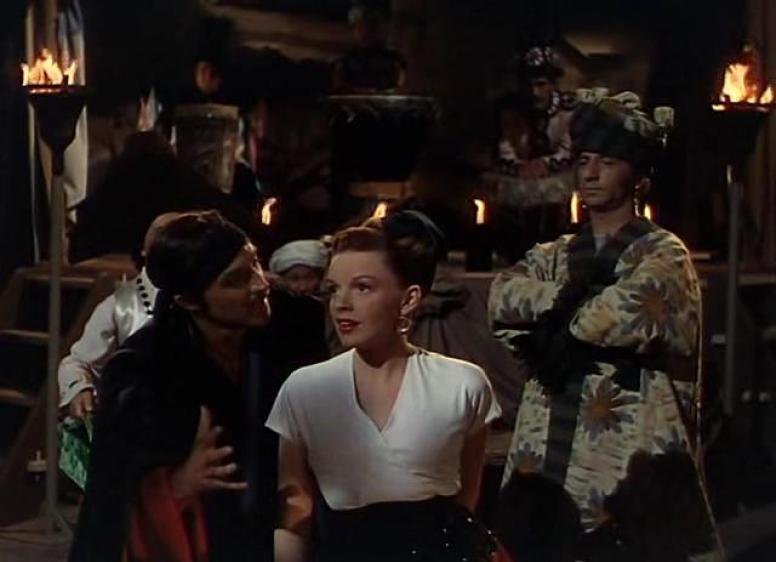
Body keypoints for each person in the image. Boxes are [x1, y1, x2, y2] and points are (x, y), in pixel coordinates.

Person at [488, 95, 722, 561]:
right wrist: (574, 301)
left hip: (627, 439)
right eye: (584, 161)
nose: (591, 174)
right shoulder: (556, 252)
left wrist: (554, 313)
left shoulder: (664, 253)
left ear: (638, 178)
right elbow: (502, 299)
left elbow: (619, 316)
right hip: (548, 436)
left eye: (608, 162)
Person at [69, 210, 317, 562]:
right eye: (236, 280)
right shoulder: (143, 371)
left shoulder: (290, 327)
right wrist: (176, 485)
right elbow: (113, 500)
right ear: (188, 301)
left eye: (255, 264)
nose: (260, 284)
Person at [267, 211, 501, 562]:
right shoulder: (304, 388)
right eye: (333, 289)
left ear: (408, 299)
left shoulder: (462, 384)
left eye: (363, 287)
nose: (342, 303)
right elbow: (295, 505)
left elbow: (466, 500)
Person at [58, 212, 180, 419]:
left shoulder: (211, 298)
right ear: (143, 248)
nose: (171, 239)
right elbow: (78, 362)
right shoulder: (120, 306)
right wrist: (80, 388)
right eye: (162, 233)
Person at [333, 2, 407, 92]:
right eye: (360, 27)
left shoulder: (394, 61)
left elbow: (397, 87)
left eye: (371, 26)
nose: (364, 32)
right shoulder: (346, 61)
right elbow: (340, 87)